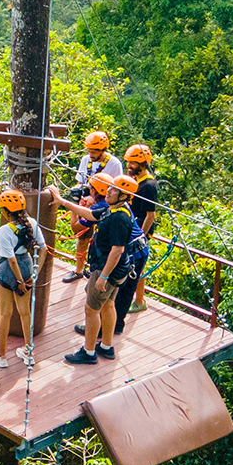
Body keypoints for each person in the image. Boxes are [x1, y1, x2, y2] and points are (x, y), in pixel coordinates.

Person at [49, 175, 137, 364]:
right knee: (108, 305)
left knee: (91, 309)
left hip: (108, 269)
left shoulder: (119, 218)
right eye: (110, 188)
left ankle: (88, 352)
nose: (109, 191)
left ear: (123, 196)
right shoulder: (113, 209)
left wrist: (103, 276)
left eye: (114, 190)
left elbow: (117, 250)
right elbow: (89, 215)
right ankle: (106, 345)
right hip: (117, 269)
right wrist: (64, 202)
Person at [0, 189, 47, 369]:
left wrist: (19, 281)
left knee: (5, 313)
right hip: (27, 266)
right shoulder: (31, 223)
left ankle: (1, 355)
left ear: (7, 211)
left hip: (9, 271)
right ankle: (28, 352)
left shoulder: (4, 231)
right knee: (25, 313)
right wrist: (34, 275)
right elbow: (43, 248)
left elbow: (11, 260)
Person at [123, 144, 158, 314]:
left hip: (141, 230)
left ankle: (139, 300)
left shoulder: (148, 186)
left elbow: (150, 215)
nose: (129, 166)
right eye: (128, 163)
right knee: (134, 264)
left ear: (143, 164)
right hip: (133, 227)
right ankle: (136, 298)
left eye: (133, 163)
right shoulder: (135, 181)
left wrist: (141, 237)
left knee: (138, 265)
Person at [62, 172, 113, 283]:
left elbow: (75, 228)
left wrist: (74, 204)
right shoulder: (112, 203)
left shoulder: (97, 208)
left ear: (94, 191)